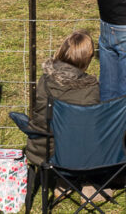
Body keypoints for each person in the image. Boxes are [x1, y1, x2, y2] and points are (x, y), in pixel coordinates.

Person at [24, 31, 99, 167]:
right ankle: (86, 180)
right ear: (87, 58)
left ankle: (62, 181)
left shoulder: (45, 80)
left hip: (41, 149)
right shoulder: (90, 89)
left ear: (62, 51)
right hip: (74, 155)